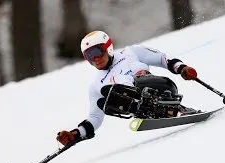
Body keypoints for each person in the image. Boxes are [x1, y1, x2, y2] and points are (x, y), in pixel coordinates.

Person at [56, 30, 197, 146]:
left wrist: (182, 68)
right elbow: (95, 117)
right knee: (104, 100)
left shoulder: (130, 52)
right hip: (136, 105)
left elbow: (162, 59)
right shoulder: (96, 85)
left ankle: (174, 109)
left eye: (97, 52)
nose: (95, 58)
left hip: (161, 88)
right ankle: (145, 109)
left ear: (108, 47)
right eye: (89, 56)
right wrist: (75, 134)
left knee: (120, 86)